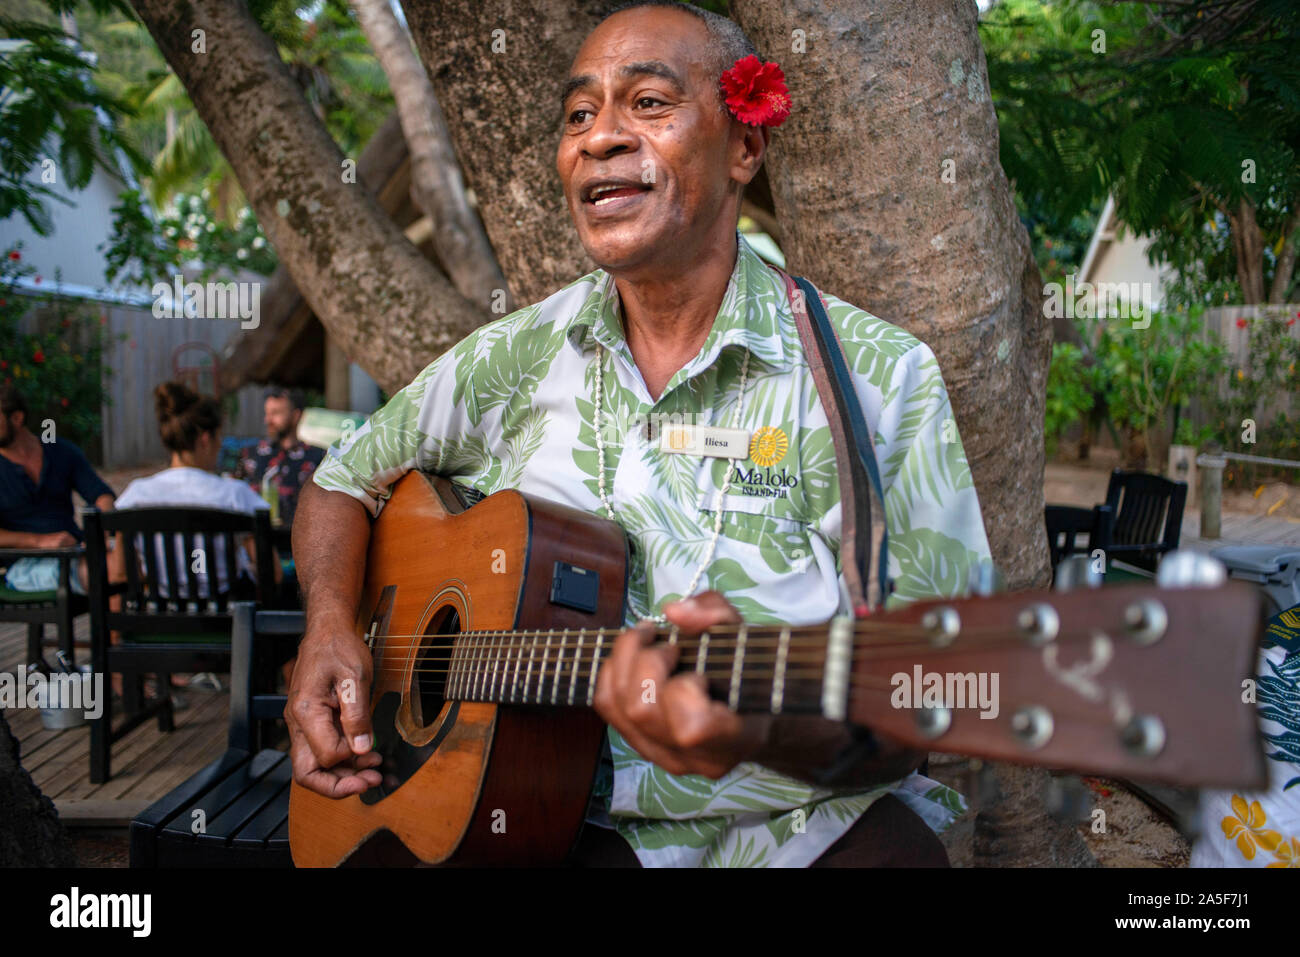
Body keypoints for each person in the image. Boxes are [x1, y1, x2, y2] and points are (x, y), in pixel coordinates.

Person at [288, 1, 993, 867]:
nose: (600, 137)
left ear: (744, 146)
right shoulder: (514, 354)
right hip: (524, 825)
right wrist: (329, 626)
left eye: (649, 103)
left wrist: (763, 725)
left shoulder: (881, 379)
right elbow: (341, 480)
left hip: (785, 839)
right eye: (580, 114)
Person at [115, 382, 276, 599]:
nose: (220, 446)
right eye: (219, 438)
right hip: (227, 622)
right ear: (205, 439)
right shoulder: (235, 495)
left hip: (159, 618)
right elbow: (272, 573)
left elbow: (120, 573)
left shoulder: (135, 496)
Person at [0, 383, 115, 595]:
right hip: (25, 564)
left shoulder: (59, 451)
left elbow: (102, 495)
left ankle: (120, 628)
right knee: (112, 570)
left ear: (16, 418)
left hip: (76, 550)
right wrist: (40, 542)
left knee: (130, 558)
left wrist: (101, 533)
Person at [232, 386, 324, 525]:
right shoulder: (250, 455)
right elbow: (235, 499)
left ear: (296, 416)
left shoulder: (317, 457)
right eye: (267, 413)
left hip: (297, 539)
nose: (268, 420)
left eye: (275, 413)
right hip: (256, 540)